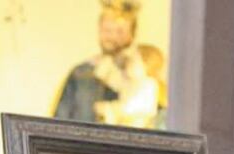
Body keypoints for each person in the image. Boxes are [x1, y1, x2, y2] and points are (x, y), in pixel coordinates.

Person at [54, 0, 164, 129]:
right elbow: (59, 122)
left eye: (119, 31)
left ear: (132, 34)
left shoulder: (146, 74)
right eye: (107, 30)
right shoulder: (81, 74)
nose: (111, 37)